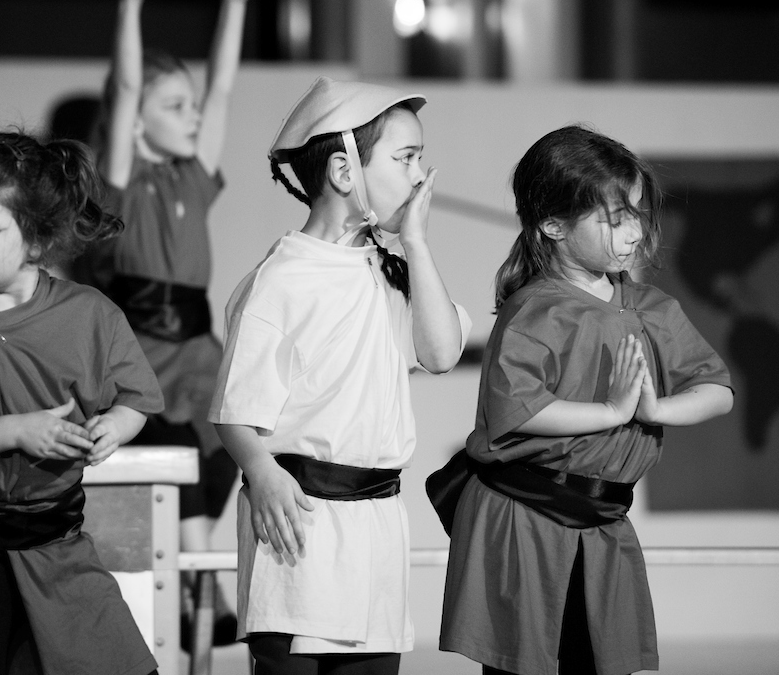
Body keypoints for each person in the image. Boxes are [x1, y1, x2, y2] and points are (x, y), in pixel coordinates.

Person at [439, 125, 734, 675]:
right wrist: (610, 413)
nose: (634, 231)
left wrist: (655, 410)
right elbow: (518, 409)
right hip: (525, 518)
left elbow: (716, 390)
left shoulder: (651, 306)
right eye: (615, 218)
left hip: (601, 518)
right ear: (553, 225)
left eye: (638, 214)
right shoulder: (535, 309)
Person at [210, 77, 472, 674]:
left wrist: (416, 244)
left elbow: (440, 353)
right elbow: (234, 411)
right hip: (299, 528)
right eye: (406, 158)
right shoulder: (281, 280)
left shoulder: (392, 269)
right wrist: (260, 472)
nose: (419, 176)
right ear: (344, 170)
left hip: (375, 530)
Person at [0, 128, 165, 675]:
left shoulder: (91, 314)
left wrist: (115, 425)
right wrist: (20, 430)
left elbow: (137, 398)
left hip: (59, 548)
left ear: (37, 240)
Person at [92, 0, 254, 643]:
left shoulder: (195, 175)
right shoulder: (121, 183)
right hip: (144, 350)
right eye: (174, 107)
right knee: (174, 448)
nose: (192, 116)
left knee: (229, 448)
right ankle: (203, 591)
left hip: (198, 349)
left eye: (190, 106)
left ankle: (198, 582)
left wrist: (236, 1)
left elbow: (222, 90)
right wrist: (130, 4)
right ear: (134, 124)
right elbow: (128, 84)